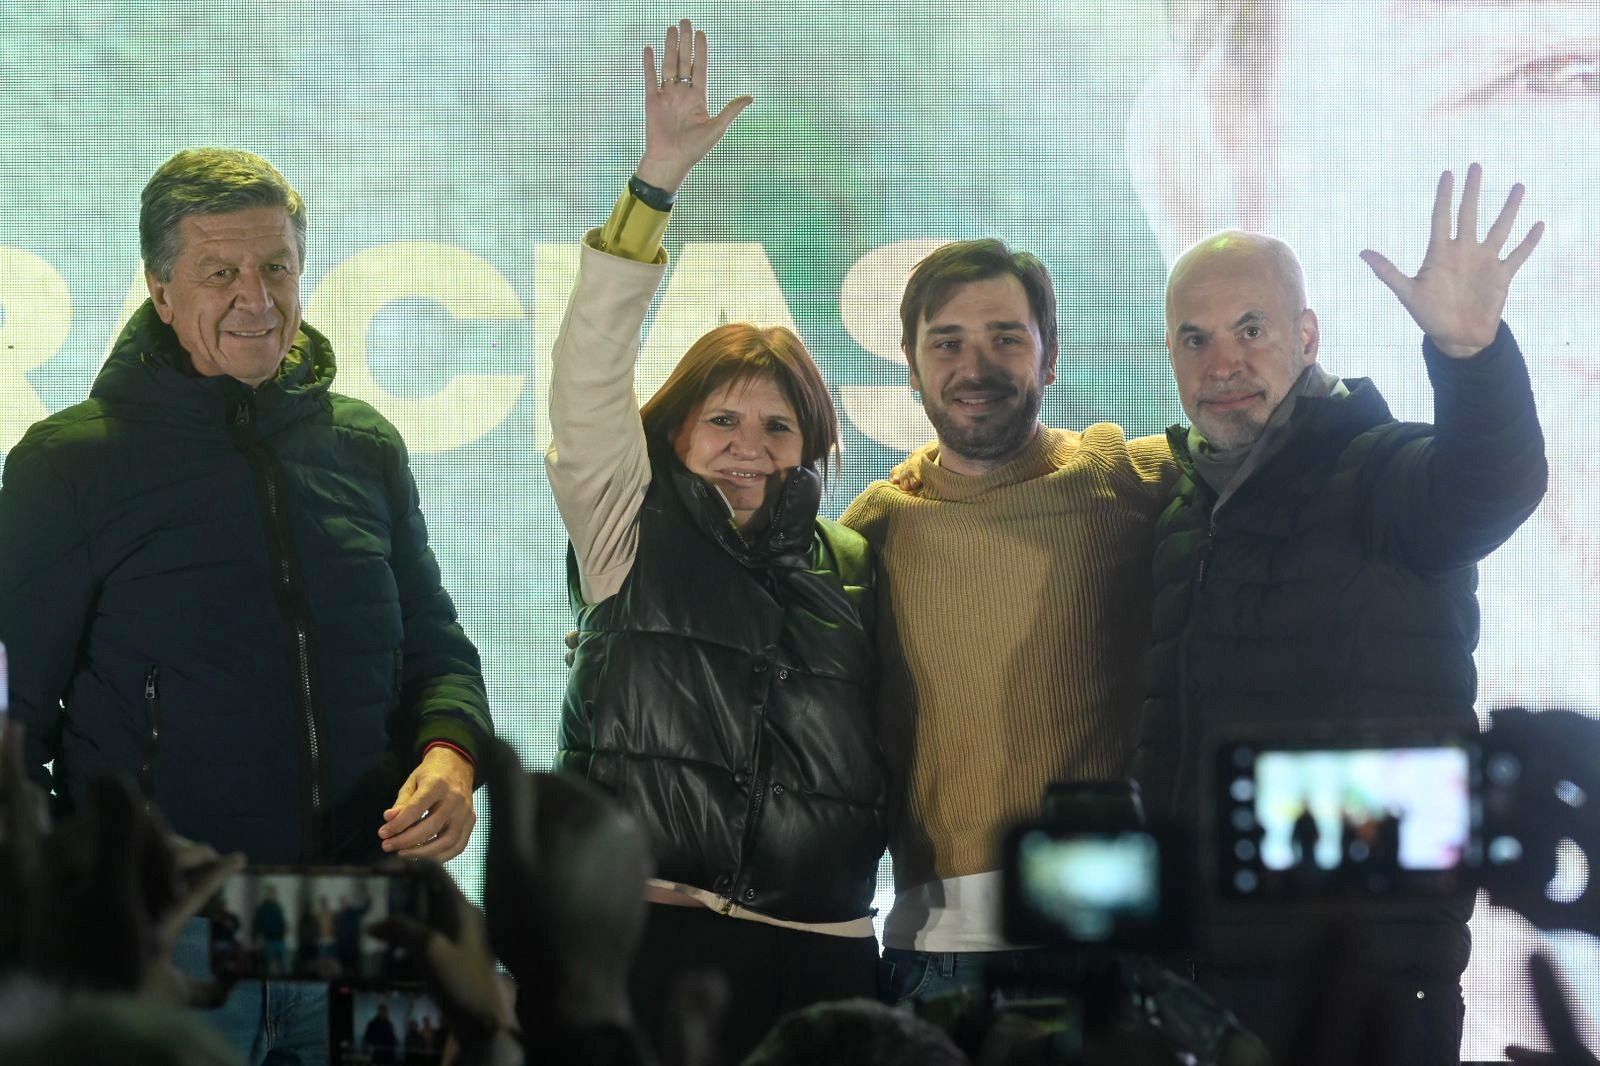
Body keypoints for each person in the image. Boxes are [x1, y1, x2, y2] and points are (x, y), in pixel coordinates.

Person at [0, 147, 494, 1062]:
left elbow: (437, 651)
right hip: (163, 929)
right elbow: (11, 727)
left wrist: (452, 757)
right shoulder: (66, 466)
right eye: (219, 272)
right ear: (160, 290)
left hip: (364, 915)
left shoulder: (364, 447)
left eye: (276, 266)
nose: (256, 298)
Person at [1135, 166, 1547, 1064]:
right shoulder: (1181, 512)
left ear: (1307, 335)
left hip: (1362, 992)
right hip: (1196, 983)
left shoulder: (1380, 470)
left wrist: (1471, 356)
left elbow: (1491, 484)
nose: (1222, 364)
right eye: (1195, 339)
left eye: (1251, 329)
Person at [546, 20, 887, 1063]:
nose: (749, 446)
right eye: (723, 421)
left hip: (822, 960)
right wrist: (654, 184)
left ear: (812, 446)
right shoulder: (626, 528)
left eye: (778, 426)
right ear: (676, 434)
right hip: (651, 948)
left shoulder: (856, 563)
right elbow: (588, 373)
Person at [838, 246, 1174, 996]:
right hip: (935, 954)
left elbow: (1283, 456)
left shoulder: (1123, 476)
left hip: (1102, 949)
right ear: (911, 364)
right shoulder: (874, 527)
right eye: (947, 342)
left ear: (1050, 358)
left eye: (1005, 338)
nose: (975, 367)